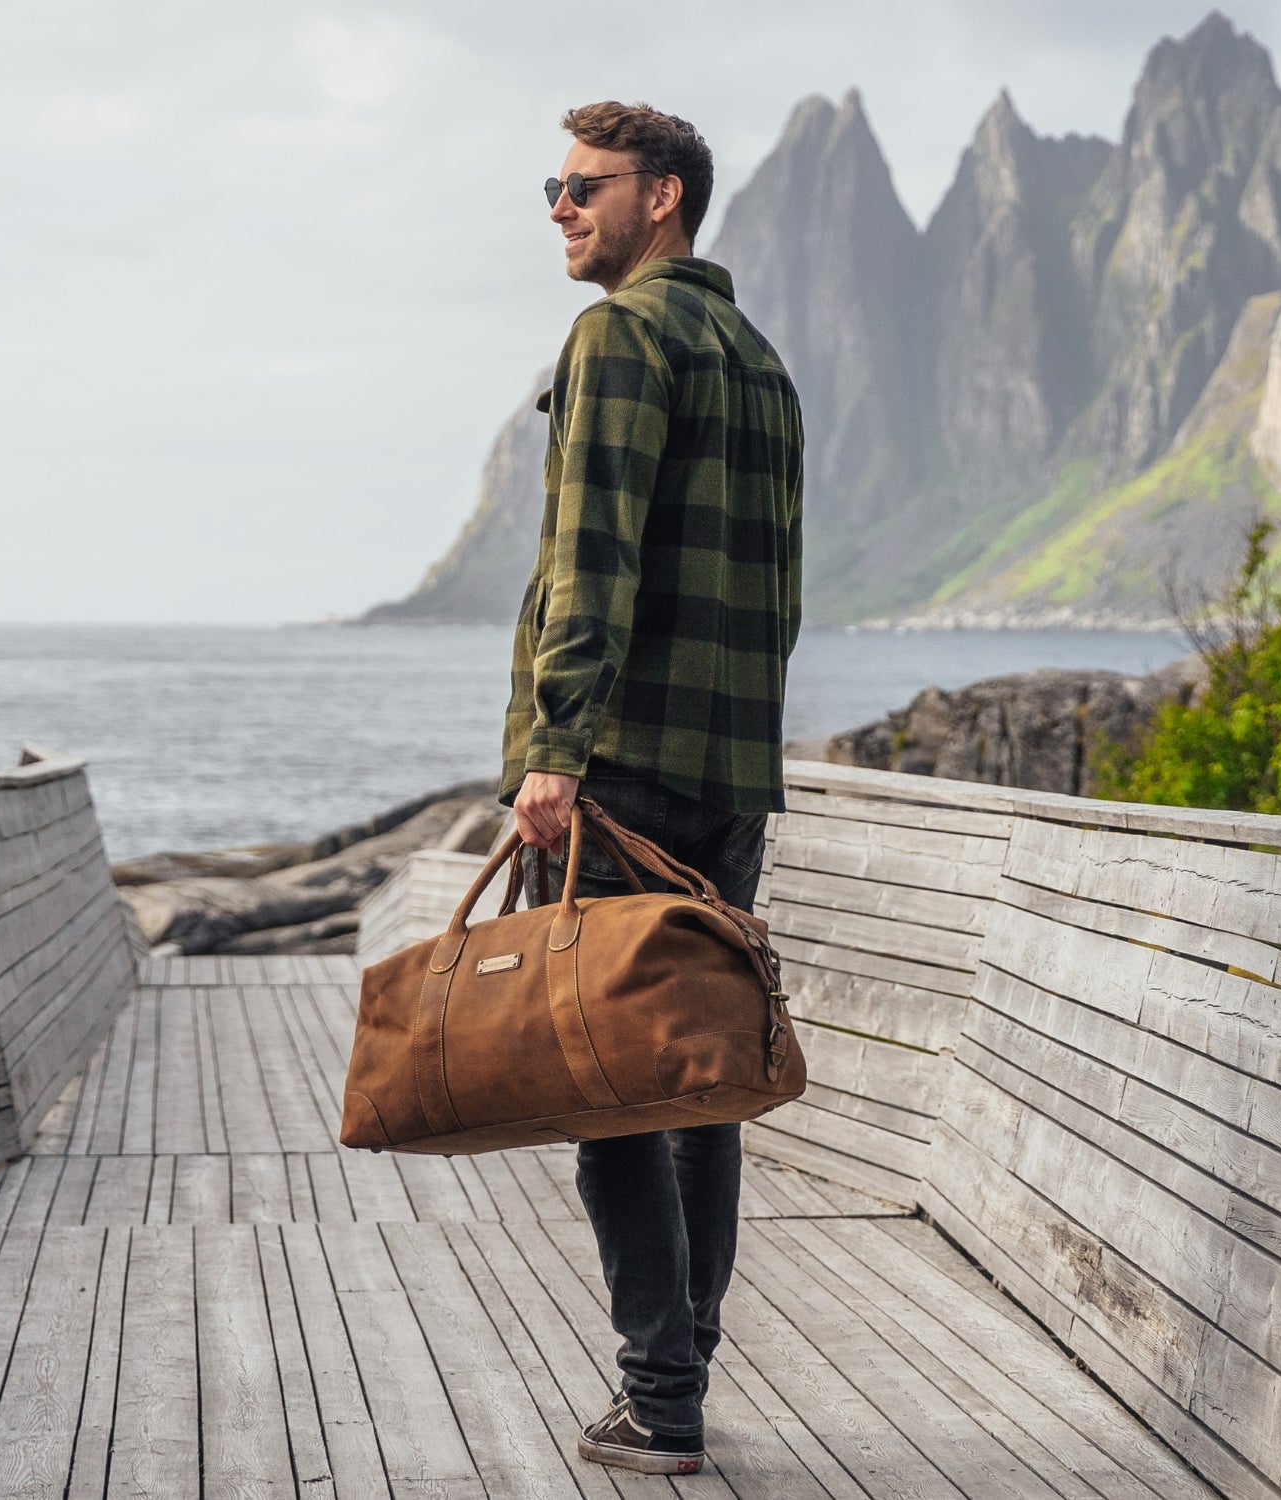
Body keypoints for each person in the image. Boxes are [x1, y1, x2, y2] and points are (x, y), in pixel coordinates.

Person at [499, 99, 803, 1476]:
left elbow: (592, 566)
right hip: (728, 782)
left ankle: (660, 1395)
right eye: (550, 187)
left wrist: (555, 753)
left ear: (662, 197)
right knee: (693, 1082)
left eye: (582, 185)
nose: (558, 206)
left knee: (612, 1090)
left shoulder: (620, 337)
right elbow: (776, 605)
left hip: (617, 777)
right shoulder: (761, 362)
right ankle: (686, 1363)